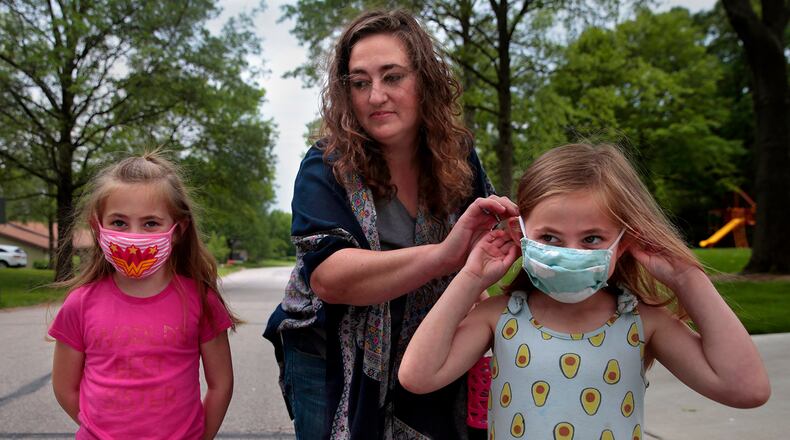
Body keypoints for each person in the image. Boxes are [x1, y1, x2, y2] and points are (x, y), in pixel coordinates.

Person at [263, 9, 518, 440]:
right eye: (360, 83)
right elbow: (328, 277)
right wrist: (442, 256)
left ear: (424, 81)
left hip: (427, 348)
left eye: (392, 77)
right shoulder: (325, 165)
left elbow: (488, 248)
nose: (375, 96)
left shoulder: (459, 157)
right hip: (328, 356)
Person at [399, 143, 771, 439]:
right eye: (549, 238)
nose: (569, 253)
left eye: (592, 238)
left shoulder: (642, 322)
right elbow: (418, 375)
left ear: (623, 244)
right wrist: (471, 278)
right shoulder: (500, 316)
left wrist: (688, 278)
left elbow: (747, 388)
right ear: (520, 235)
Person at [49, 152, 239, 439]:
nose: (134, 237)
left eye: (150, 223)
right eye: (119, 223)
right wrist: (100, 430)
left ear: (178, 230)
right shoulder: (80, 303)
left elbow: (221, 384)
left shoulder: (200, 301)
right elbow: (65, 386)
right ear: (97, 225)